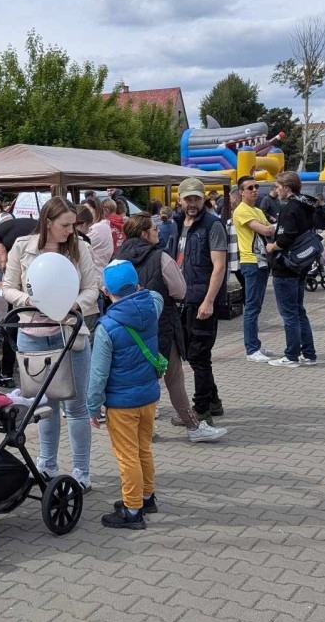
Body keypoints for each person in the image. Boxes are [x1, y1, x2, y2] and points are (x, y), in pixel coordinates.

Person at [2, 198, 100, 489]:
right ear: (47, 223)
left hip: (70, 334)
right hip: (32, 335)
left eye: (73, 225)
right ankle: (47, 464)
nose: (71, 231)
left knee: (77, 406)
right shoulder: (22, 246)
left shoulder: (80, 247)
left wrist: (73, 306)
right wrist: (28, 301)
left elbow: (92, 288)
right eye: (65, 225)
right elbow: (8, 287)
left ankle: (81, 471)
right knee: (44, 404)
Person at [114, 214, 224, 442]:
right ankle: (193, 427)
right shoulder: (161, 258)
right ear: (144, 234)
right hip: (160, 325)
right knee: (174, 378)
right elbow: (180, 291)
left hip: (126, 327)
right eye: (154, 228)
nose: (158, 231)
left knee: (139, 379)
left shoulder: (116, 258)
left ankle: (143, 429)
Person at [87, 260, 163, 530]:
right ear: (138, 285)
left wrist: (92, 407)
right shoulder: (152, 307)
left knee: (127, 455)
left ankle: (132, 510)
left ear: (106, 292)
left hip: (121, 403)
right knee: (144, 449)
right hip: (149, 396)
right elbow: (155, 294)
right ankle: (146, 496)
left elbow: (98, 375)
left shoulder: (106, 327)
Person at [176, 178, 228, 419]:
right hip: (183, 300)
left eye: (196, 198)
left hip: (202, 301)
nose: (192, 203)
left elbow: (219, 267)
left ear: (204, 198)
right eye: (188, 199)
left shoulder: (212, 225)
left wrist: (209, 301)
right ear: (180, 200)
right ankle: (213, 401)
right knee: (194, 354)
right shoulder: (178, 224)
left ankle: (202, 409)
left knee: (198, 356)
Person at [265, 172, 318, 368]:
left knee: (289, 314)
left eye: (278, 187)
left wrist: (273, 246)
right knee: (298, 311)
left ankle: (291, 355)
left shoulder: (290, 207)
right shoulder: (306, 205)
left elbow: (288, 235)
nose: (276, 190)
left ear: (287, 187)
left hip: (286, 265)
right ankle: (309, 353)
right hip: (301, 265)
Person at [0, 214, 39, 389]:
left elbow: (4, 262)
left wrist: (9, 283)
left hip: (22, 281)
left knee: (11, 324)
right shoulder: (29, 223)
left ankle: (6, 373)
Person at [232, 175, 276, 363]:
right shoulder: (241, 210)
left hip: (262, 261)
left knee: (256, 306)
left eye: (256, 186)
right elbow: (266, 230)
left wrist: (273, 227)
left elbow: (268, 227)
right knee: (251, 307)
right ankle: (251, 349)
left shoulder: (257, 210)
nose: (255, 190)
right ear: (241, 191)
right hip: (251, 262)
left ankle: (255, 344)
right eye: (250, 188)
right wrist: (279, 226)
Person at [86, 201, 115, 272]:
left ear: (97, 210)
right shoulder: (103, 226)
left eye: (88, 210)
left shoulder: (99, 228)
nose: (85, 214)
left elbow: (79, 245)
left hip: (96, 272)